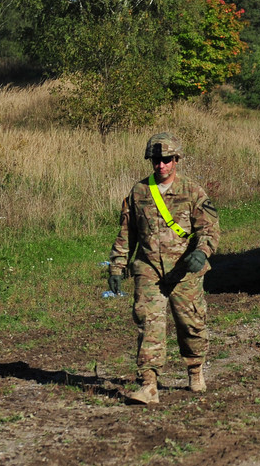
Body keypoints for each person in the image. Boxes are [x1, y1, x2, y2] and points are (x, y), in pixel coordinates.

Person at [109, 132, 220, 404]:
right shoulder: (138, 192)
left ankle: (195, 370)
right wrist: (117, 265)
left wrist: (201, 252)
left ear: (176, 160)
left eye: (166, 160)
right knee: (148, 324)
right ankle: (149, 385)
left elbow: (209, 229)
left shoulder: (193, 191)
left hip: (184, 270)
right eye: (156, 160)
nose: (161, 166)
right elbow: (127, 232)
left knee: (191, 324)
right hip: (149, 269)